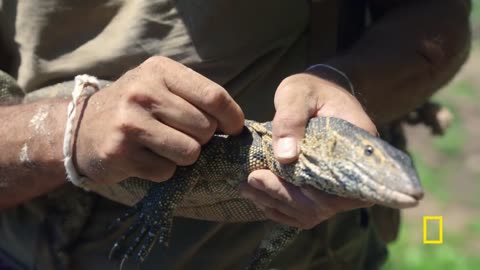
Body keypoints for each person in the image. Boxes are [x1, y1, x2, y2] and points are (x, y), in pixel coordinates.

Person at [0, 0, 470, 269]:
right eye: (368, 153)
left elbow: (433, 13)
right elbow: (192, 164)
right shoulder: (246, 154)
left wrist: (344, 81)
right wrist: (70, 131)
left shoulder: (287, 158)